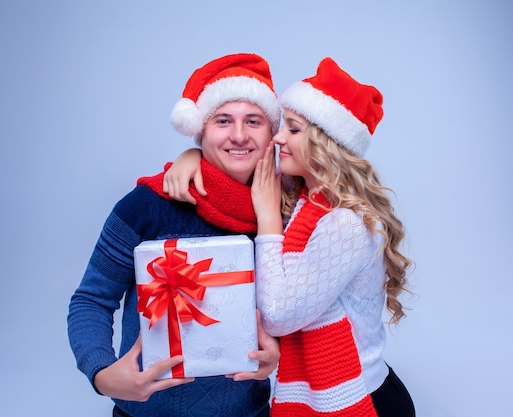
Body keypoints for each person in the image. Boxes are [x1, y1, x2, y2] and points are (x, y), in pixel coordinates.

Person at [166, 57, 416, 417]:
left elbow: (278, 316)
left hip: (362, 399)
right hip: (322, 396)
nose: (279, 137)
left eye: (294, 130)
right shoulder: (303, 200)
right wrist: (191, 154)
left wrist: (268, 219)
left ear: (326, 143)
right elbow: (232, 166)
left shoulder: (344, 224)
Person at [67, 53, 282, 417]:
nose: (240, 135)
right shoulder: (146, 206)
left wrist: (279, 350)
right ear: (200, 130)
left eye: (254, 121)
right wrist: (101, 374)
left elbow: (303, 311)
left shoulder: (286, 212)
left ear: (271, 132)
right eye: (223, 120)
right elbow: (91, 299)